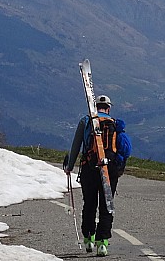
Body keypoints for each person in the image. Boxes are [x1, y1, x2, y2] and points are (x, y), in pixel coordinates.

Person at [63, 94, 131, 257]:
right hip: (109, 170)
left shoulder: (86, 121)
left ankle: (88, 239)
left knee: (89, 204)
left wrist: (69, 166)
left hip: (89, 169)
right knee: (106, 206)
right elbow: (125, 149)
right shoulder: (114, 124)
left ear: (95, 107)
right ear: (108, 108)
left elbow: (76, 145)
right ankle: (103, 243)